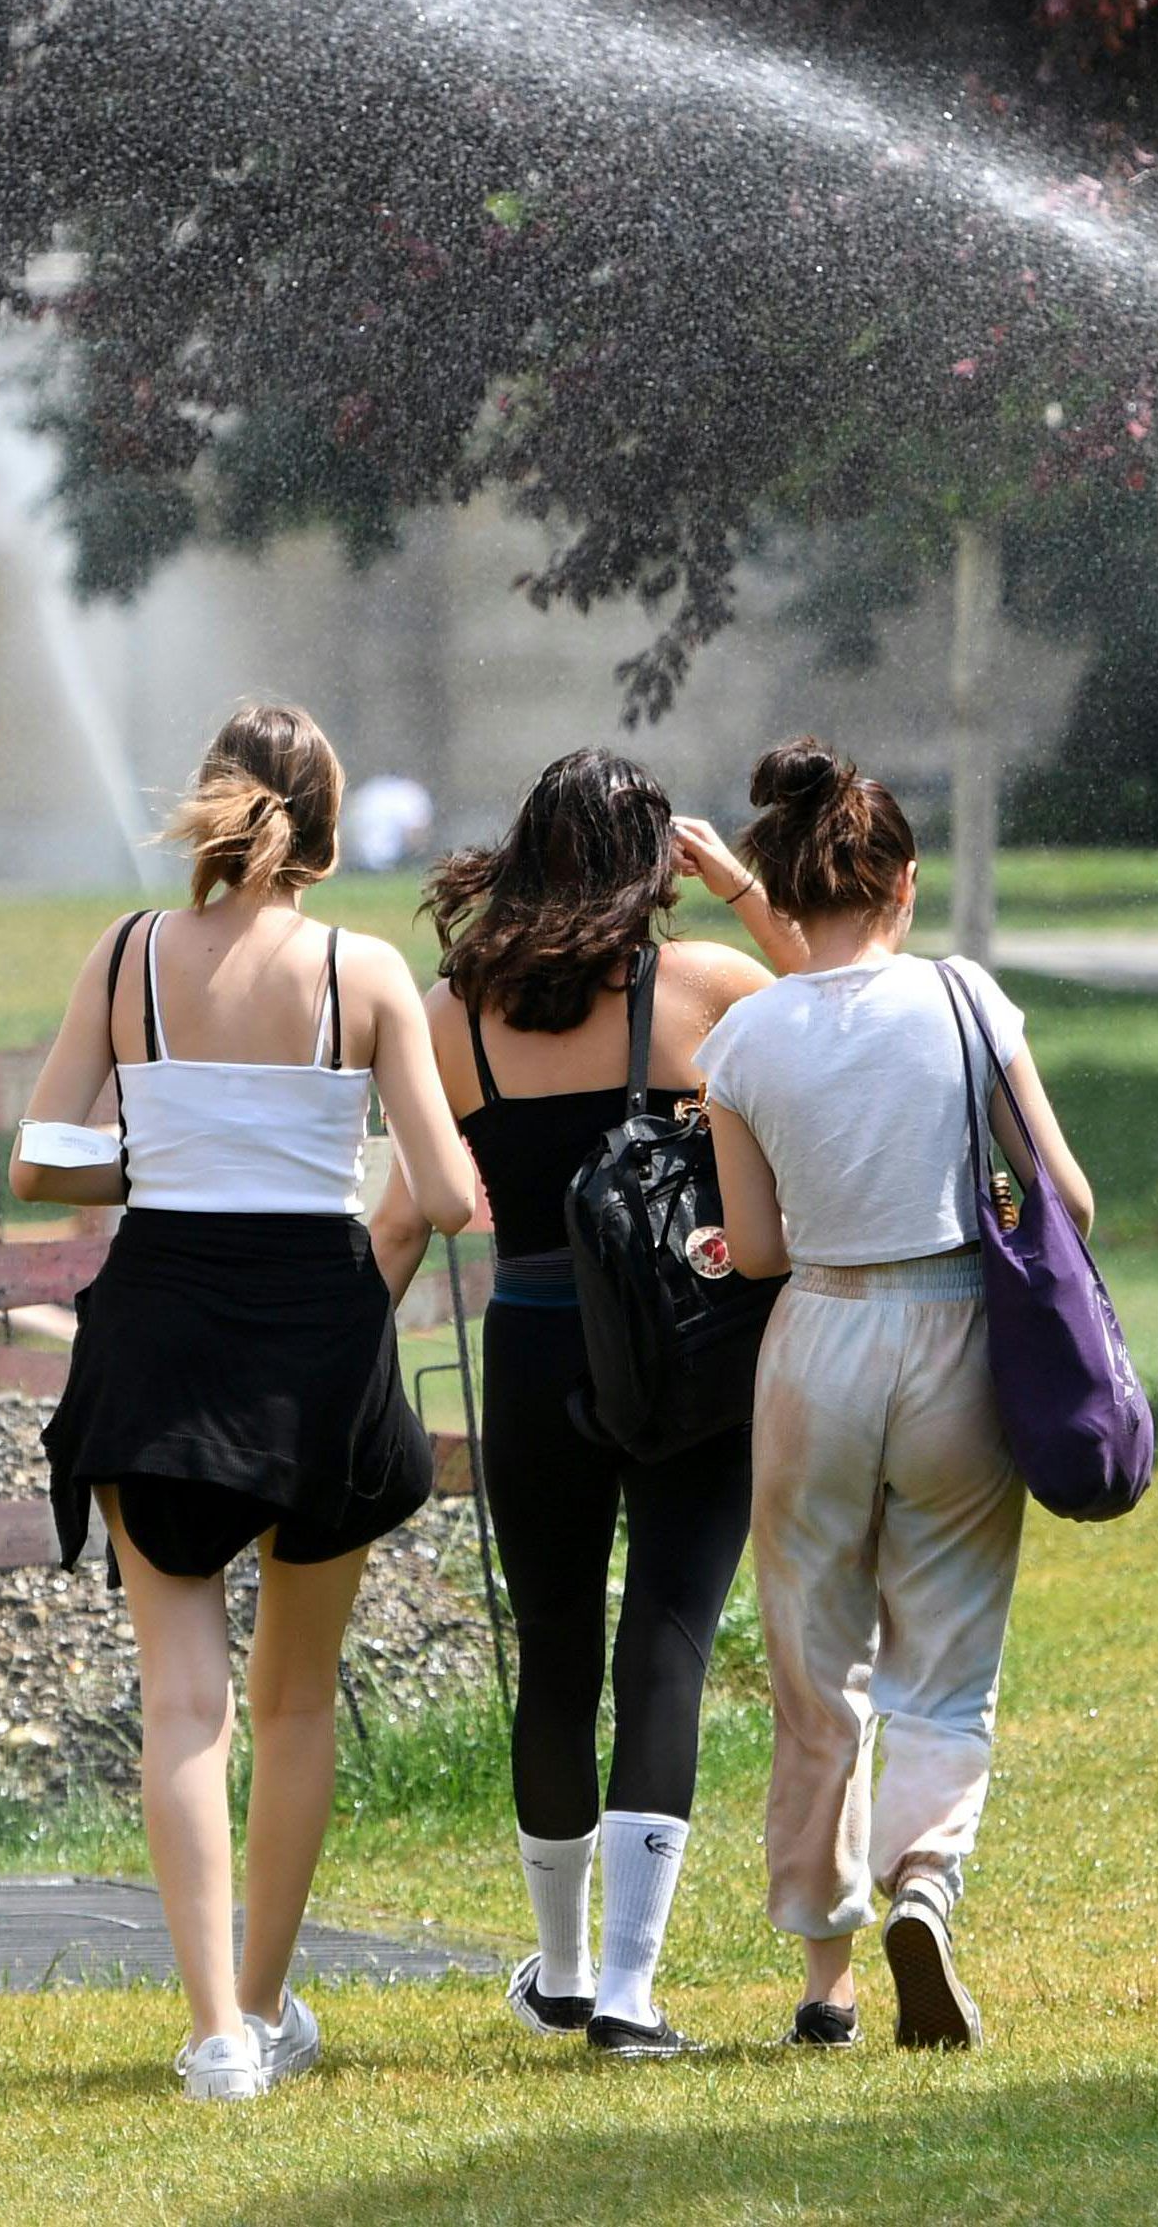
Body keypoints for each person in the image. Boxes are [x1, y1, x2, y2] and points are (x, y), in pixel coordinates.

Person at [14, 700, 478, 2102]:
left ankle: (213, 2027)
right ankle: (266, 2003)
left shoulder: (130, 955)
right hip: (319, 1345)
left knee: (181, 1705)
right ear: (324, 835)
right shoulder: (366, 971)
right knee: (293, 1704)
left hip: (159, 1329)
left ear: (215, 811)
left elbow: (41, 1159)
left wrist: (156, 1158)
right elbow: (448, 1198)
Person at [371, 750, 807, 2058]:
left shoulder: (453, 1020)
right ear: (646, 867)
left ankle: (559, 1970)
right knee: (665, 1635)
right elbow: (838, 998)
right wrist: (737, 883)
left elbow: (406, 1217)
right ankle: (627, 1990)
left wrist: (343, 1354)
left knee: (553, 1650)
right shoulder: (708, 991)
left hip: (533, 1346)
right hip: (684, 1351)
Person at [699, 738, 1096, 2052]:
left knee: (818, 1668)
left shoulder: (742, 1034)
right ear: (903, 883)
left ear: (776, 883)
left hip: (816, 1336)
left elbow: (752, 1251)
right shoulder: (964, 998)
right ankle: (920, 1880)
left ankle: (825, 1985)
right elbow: (1068, 1198)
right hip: (953, 1340)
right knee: (944, 1649)